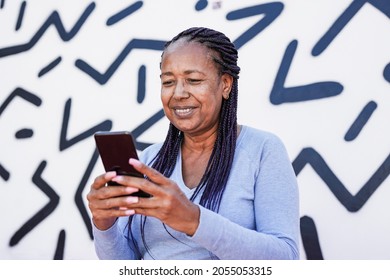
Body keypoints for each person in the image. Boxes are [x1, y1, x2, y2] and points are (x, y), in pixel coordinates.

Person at [87, 27, 300, 260]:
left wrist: (194, 220)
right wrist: (104, 224)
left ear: (225, 84)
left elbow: (285, 258)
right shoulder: (149, 160)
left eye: (194, 80)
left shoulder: (263, 150)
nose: (178, 93)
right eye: (168, 82)